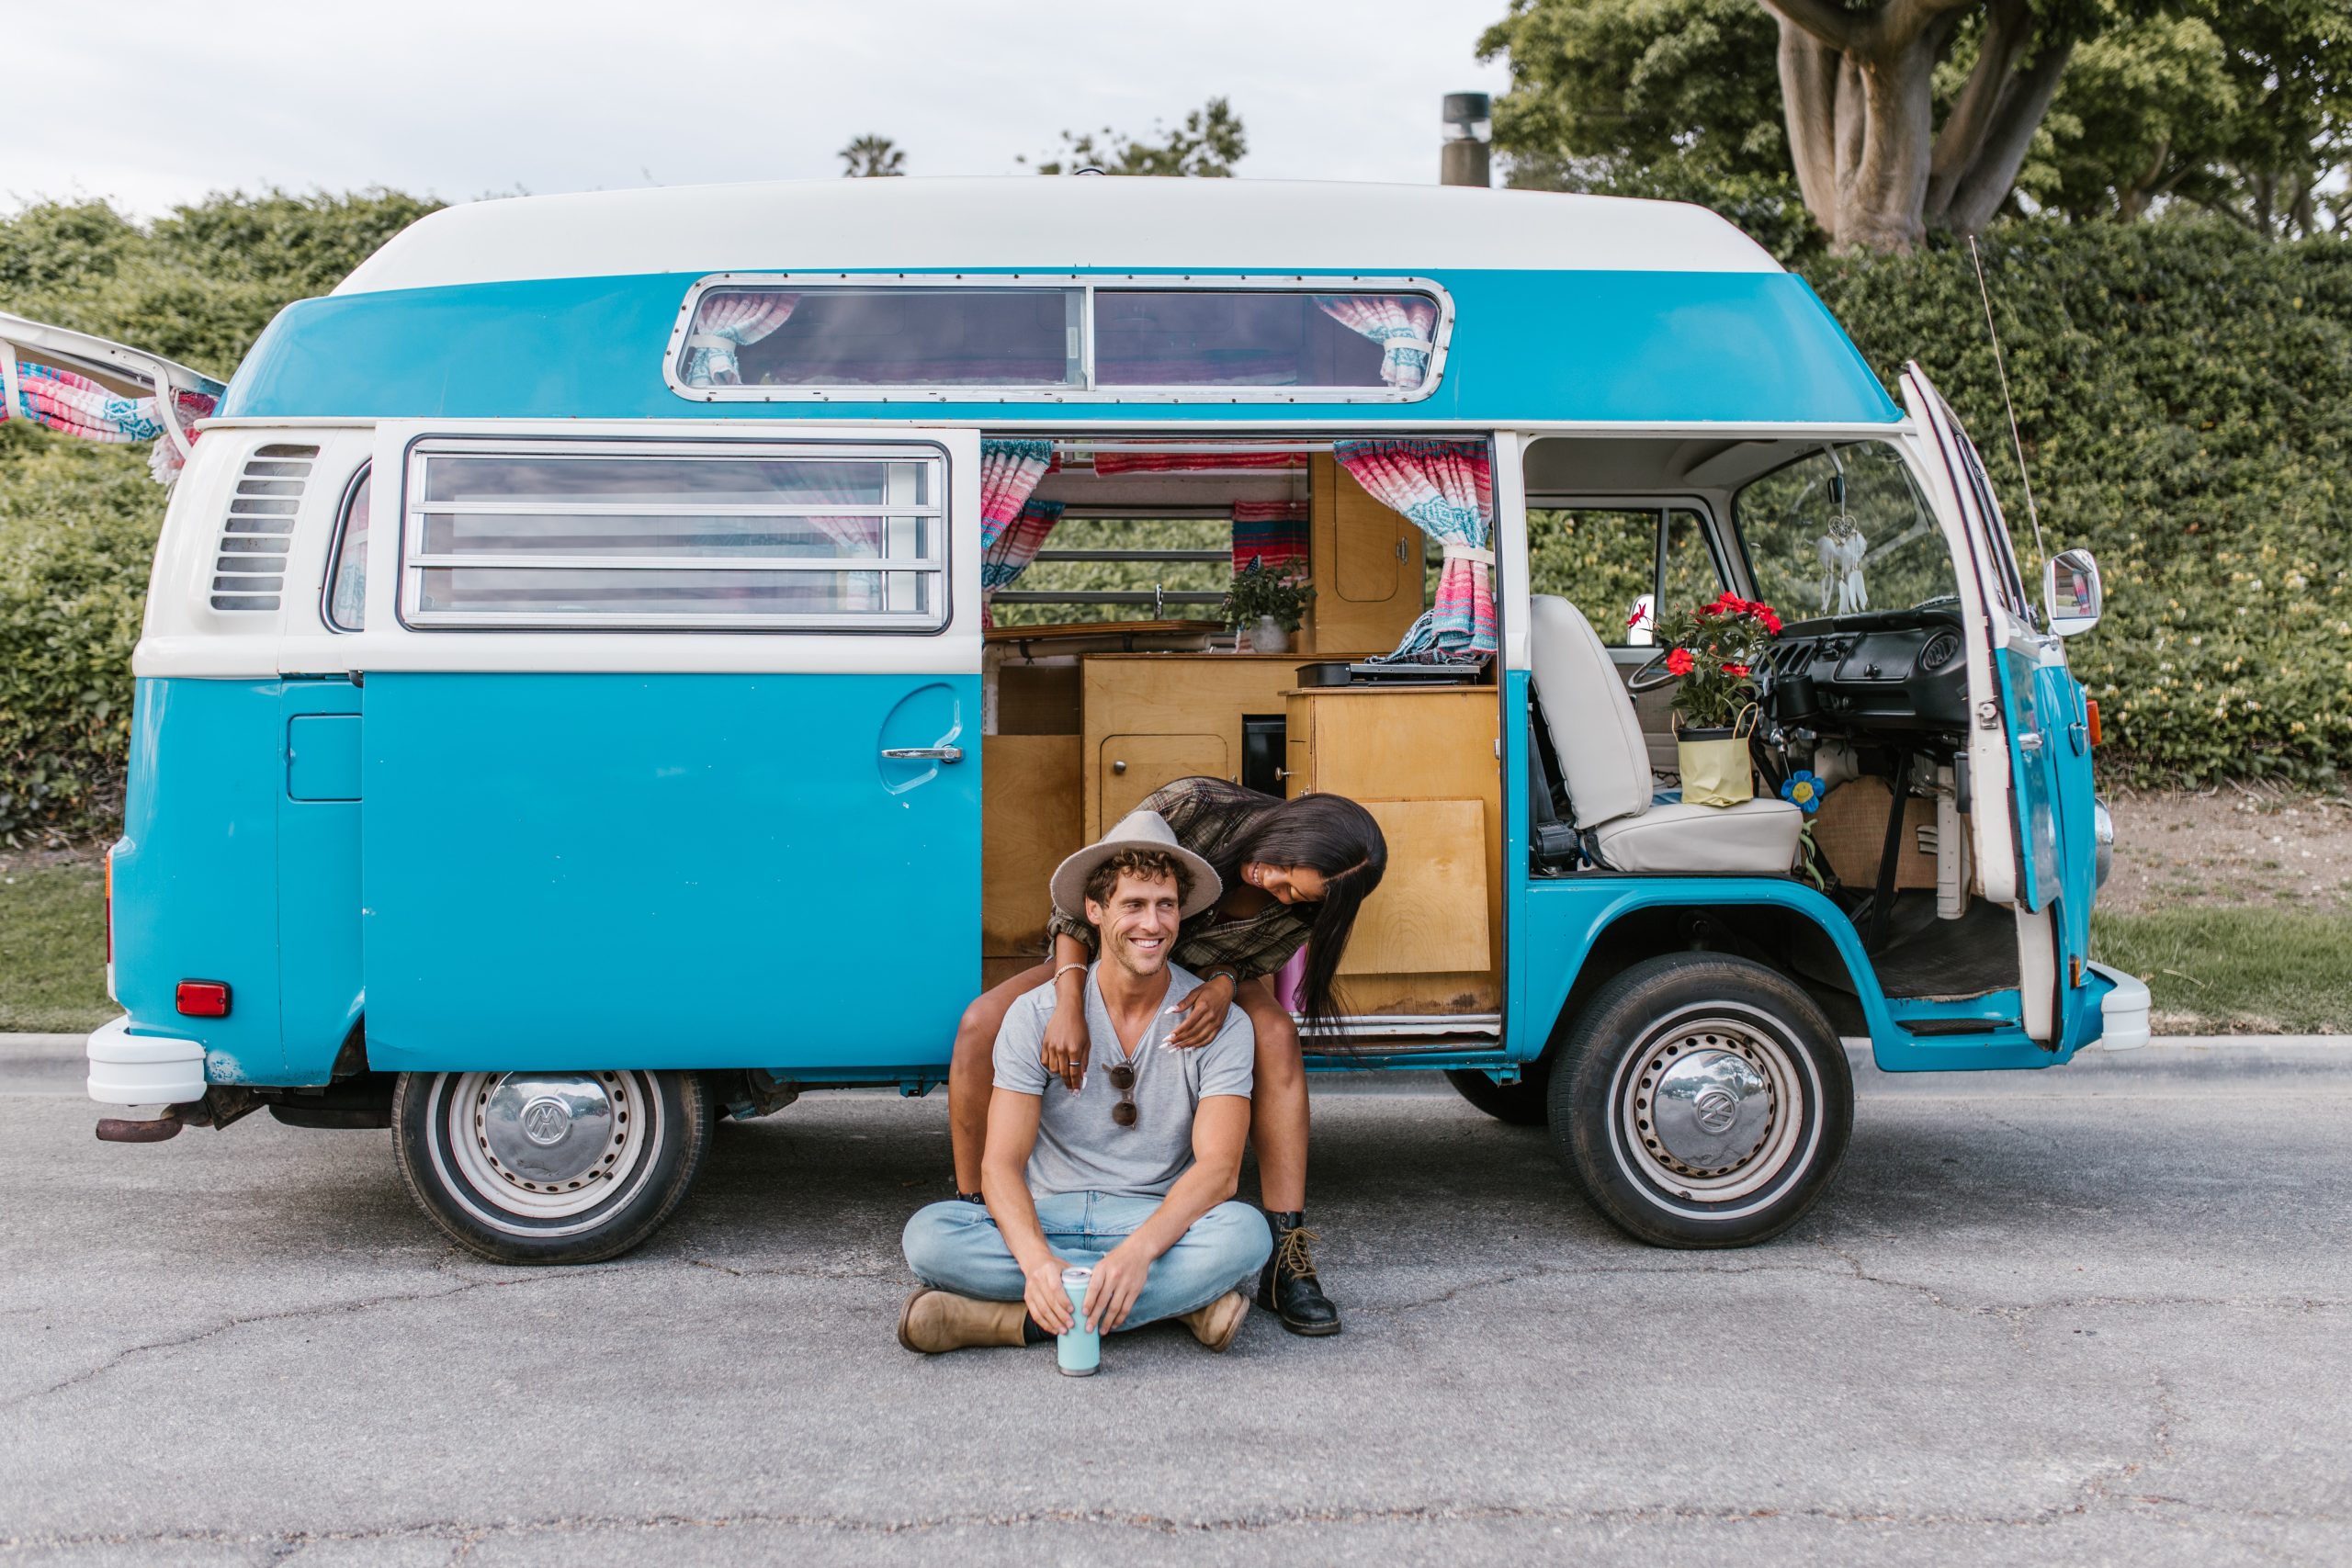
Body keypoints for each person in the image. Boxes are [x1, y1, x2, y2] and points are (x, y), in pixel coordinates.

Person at [946, 777, 1386, 1337]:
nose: (1276, 888)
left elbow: (1253, 960)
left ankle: (1285, 1254)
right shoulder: (1195, 807)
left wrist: (1225, 983)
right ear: (1293, 830)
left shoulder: (1304, 902)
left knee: (1273, 1033)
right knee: (980, 1024)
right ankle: (982, 1211)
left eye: (1295, 897)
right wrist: (1067, 1002)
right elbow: (1089, 905)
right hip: (1107, 953)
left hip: (1203, 975)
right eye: (1282, 869)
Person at [899, 822, 1272, 1357]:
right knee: (929, 1236)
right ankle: (1181, 1304)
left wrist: (1139, 1253)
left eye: (1166, 905)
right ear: (1094, 912)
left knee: (1245, 1235)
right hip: (1049, 1210)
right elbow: (1000, 1165)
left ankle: (1009, 1323)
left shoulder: (1219, 1023)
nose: (1153, 923)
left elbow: (1220, 1171)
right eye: (1134, 904)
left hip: (1150, 1214)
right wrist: (1035, 1261)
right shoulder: (1035, 1015)